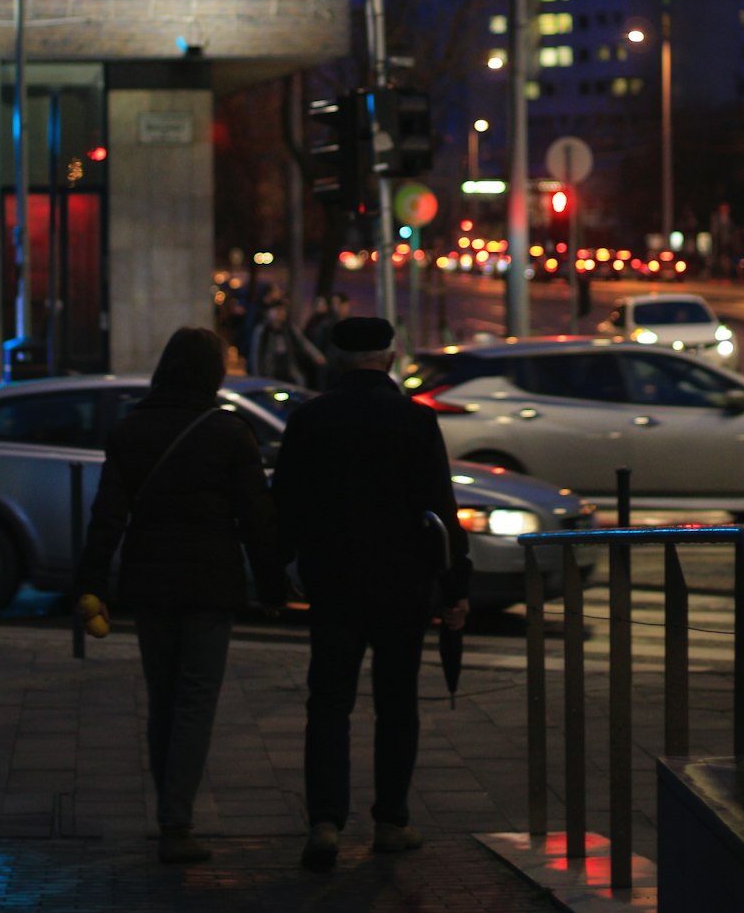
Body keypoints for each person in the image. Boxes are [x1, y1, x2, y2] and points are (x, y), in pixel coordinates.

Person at [75, 325, 285, 865]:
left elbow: (108, 517)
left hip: (150, 582)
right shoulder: (230, 433)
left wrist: (92, 583)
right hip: (211, 584)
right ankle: (176, 819)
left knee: (163, 699)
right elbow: (256, 517)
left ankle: (169, 814)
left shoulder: (130, 431)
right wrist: (272, 583)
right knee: (195, 699)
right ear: (211, 373)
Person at [272, 316, 471, 871]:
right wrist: (456, 586)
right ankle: (390, 820)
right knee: (396, 702)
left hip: (333, 580)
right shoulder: (414, 421)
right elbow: (440, 513)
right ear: (389, 357)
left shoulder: (309, 419)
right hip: (401, 583)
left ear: (337, 359)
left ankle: (325, 823)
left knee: (330, 700)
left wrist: (277, 571)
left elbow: (284, 502)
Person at [248, 298, 324, 386]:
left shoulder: (289, 328)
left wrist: (317, 355)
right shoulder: (263, 330)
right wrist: (258, 377)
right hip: (269, 372)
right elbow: (255, 355)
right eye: (277, 310)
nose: (281, 313)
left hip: (288, 371)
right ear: (269, 312)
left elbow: (303, 342)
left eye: (283, 310)